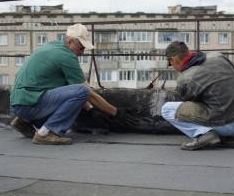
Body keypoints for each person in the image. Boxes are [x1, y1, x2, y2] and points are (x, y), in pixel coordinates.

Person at [10, 23, 138, 145]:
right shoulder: (67, 57)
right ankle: (46, 133)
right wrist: (117, 113)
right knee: (82, 90)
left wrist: (91, 109)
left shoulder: (53, 46)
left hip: (20, 104)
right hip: (30, 104)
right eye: (81, 47)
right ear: (70, 42)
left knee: (75, 91)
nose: (82, 52)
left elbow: (67, 91)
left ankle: (23, 121)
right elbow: (87, 93)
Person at [161, 41, 234, 150]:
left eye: (171, 64)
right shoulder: (217, 56)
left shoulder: (185, 79)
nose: (173, 67)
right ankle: (224, 136)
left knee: (166, 109)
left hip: (226, 124)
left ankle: (204, 134)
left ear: (173, 60)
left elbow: (191, 105)